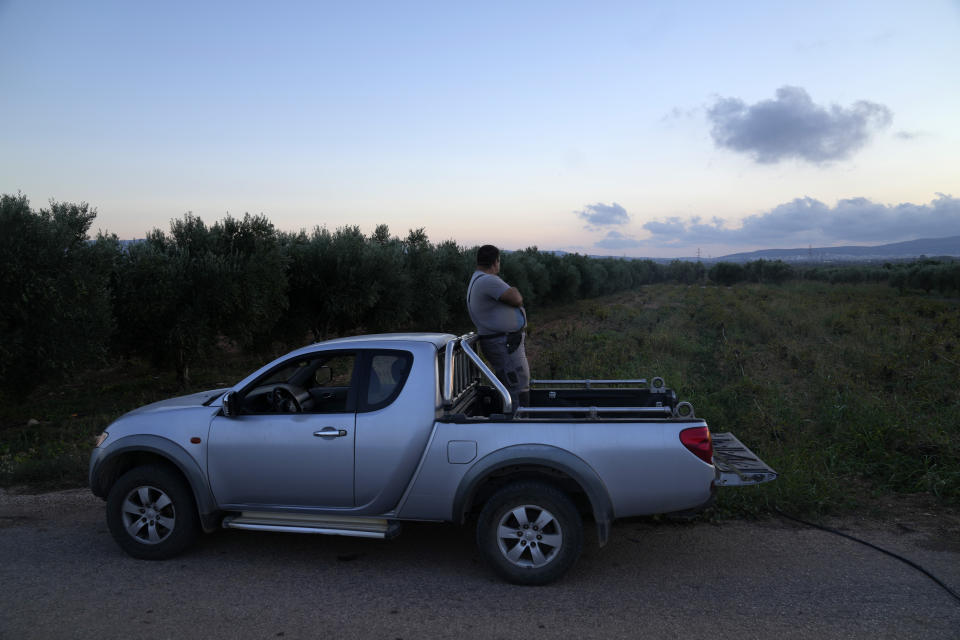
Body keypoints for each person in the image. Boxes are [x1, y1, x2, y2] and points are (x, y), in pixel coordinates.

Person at [466, 245, 530, 411]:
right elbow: (516, 298)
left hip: (503, 342)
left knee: (514, 382)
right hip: (503, 343)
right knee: (516, 384)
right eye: (499, 261)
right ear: (495, 261)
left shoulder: (478, 279)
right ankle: (519, 424)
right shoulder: (488, 280)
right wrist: (514, 288)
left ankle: (518, 418)